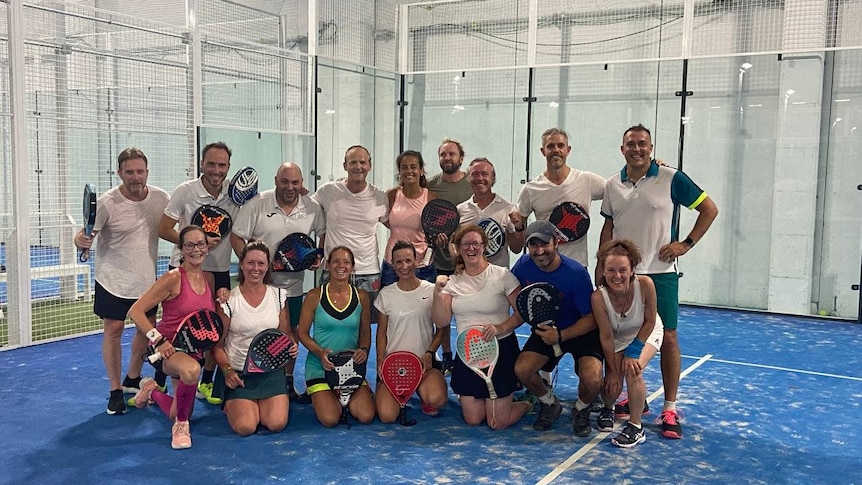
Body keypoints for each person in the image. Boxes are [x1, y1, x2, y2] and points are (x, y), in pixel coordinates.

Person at [599, 124, 719, 440]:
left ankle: (669, 406)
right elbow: (608, 227)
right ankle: (632, 396)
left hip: (661, 274)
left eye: (642, 144)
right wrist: (602, 266)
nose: (636, 149)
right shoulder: (612, 185)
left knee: (668, 337)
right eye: (630, 144)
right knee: (623, 335)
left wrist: (686, 243)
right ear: (621, 148)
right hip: (623, 277)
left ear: (650, 148)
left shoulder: (671, 177)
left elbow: (709, 208)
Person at [73, 147, 169, 415]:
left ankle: (133, 378)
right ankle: (115, 391)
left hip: (146, 283)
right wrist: (79, 240)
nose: (135, 177)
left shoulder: (161, 198)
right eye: (129, 172)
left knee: (143, 331)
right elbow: (85, 234)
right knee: (113, 331)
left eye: (140, 171)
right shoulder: (106, 203)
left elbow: (174, 223)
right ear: (120, 173)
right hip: (112, 281)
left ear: (147, 172)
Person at [230, 162, 325, 400]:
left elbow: (322, 233)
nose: (290, 187)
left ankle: (286, 382)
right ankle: (252, 378)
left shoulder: (312, 207)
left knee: (291, 333)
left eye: (295, 182)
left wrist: (318, 256)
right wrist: (253, 265)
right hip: (259, 288)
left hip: (293, 288)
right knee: (255, 331)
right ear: (275, 180)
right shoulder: (256, 204)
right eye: (285, 181)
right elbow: (236, 236)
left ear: (302, 184)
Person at [159, 141, 240, 405]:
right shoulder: (185, 191)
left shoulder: (235, 195)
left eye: (222, 165)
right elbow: (164, 228)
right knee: (177, 327)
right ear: (202, 164)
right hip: (184, 269)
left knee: (215, 329)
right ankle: (162, 375)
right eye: (212, 164)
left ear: (228, 167)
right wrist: (195, 243)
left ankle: (205, 378)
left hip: (218, 270)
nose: (217, 170)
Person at [432, 224, 532, 430]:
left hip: (500, 351)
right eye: (466, 244)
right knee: (473, 419)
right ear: (458, 249)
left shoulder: (502, 275)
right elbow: (441, 321)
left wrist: (500, 328)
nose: (471, 249)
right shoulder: (453, 282)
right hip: (468, 354)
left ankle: (528, 402)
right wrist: (437, 292)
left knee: (496, 422)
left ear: (484, 246)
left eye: (476, 243)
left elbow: (523, 313)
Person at [511, 220, 604, 436]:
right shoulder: (523, 265)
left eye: (544, 244)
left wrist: (560, 335)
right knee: (522, 369)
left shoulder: (576, 273)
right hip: (545, 330)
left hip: (580, 331)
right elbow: (505, 285)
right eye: (534, 245)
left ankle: (581, 408)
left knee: (592, 378)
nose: (539, 250)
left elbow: (591, 318)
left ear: (556, 243)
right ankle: (550, 403)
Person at [128, 226, 215, 449]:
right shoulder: (172, 278)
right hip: (165, 350)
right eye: (190, 245)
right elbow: (136, 311)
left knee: (177, 409)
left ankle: (151, 391)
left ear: (207, 247)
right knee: (191, 371)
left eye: (201, 244)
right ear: (181, 249)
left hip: (192, 351)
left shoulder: (209, 279)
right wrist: (158, 340)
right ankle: (181, 428)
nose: (196, 250)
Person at [210, 240, 299, 436]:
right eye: (250, 263)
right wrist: (228, 371)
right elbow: (217, 346)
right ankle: (232, 402)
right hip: (239, 375)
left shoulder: (278, 296)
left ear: (268, 266)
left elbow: (287, 335)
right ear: (241, 264)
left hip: (271, 372)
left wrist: (291, 345)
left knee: (276, 423)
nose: (255, 268)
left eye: (261, 263)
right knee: (246, 427)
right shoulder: (228, 301)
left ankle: (257, 403)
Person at [592, 239, 664, 448]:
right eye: (611, 270)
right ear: (603, 272)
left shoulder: (645, 285)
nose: (617, 276)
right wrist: (613, 370)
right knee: (612, 379)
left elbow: (650, 321)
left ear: (632, 269)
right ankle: (608, 408)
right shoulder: (598, 298)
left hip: (646, 332)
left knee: (633, 369)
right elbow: (606, 336)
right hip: (618, 336)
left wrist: (634, 350)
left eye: (623, 270)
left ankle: (636, 426)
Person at [297, 246, 375, 427]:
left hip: (351, 369)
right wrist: (319, 352)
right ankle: (317, 393)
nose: (341, 266)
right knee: (330, 419)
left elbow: (365, 332)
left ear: (353, 268)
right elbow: (302, 333)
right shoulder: (314, 296)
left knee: (366, 416)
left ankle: (352, 391)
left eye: (346, 262)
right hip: (320, 368)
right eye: (336, 261)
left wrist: (363, 350)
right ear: (328, 266)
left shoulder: (361, 297)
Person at [375, 241, 448, 421]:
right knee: (387, 416)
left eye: (408, 260)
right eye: (399, 262)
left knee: (436, 400)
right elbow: (381, 332)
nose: (404, 266)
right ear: (392, 264)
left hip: (424, 365)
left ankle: (423, 393)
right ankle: (386, 390)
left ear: (416, 261)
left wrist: (430, 353)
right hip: (394, 367)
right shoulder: (386, 294)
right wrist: (381, 360)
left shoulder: (432, 291)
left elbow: (441, 329)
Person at [311, 146, 388, 308]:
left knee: (366, 327)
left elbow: (397, 225)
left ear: (370, 165)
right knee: (328, 322)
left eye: (362, 162)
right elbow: (306, 211)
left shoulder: (380, 197)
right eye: (353, 162)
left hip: (368, 271)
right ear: (345, 165)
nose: (358, 167)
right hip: (333, 270)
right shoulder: (328, 191)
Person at [517, 128, 606, 266]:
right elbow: (519, 230)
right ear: (543, 151)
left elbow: (617, 191)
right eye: (550, 146)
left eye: (560, 145)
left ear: (568, 150)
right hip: (544, 267)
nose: (556, 150)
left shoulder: (586, 180)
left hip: (578, 266)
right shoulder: (530, 189)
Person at [427, 139, 473, 371]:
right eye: (443, 154)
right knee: (441, 314)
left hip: (468, 264)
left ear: (461, 158)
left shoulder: (472, 182)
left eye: (451, 154)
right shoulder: (431, 185)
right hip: (440, 262)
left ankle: (471, 355)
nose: (447, 158)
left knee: (469, 312)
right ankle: (446, 356)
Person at [381, 151, 438, 287]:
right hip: (392, 264)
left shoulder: (431, 198)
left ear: (421, 170)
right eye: (404, 167)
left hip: (422, 264)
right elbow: (385, 219)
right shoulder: (392, 194)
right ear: (399, 172)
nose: (409, 171)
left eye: (413, 166)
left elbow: (435, 232)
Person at [456, 157, 525, 268]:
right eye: (475, 174)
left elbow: (516, 249)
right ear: (468, 179)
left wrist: (518, 227)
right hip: (468, 277)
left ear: (493, 179)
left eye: (484, 174)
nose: (479, 178)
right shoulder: (460, 210)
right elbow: (454, 243)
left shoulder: (509, 209)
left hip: (498, 279)